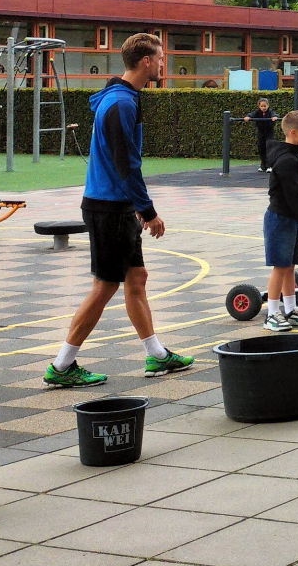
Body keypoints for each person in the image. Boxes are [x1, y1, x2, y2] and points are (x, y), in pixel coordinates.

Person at [47, 33, 193, 387]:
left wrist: (137, 207)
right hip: (108, 209)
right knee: (104, 286)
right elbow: (125, 164)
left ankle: (157, 356)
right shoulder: (121, 103)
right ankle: (62, 365)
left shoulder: (124, 97)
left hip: (118, 206)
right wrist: (148, 209)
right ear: (146, 61)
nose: (163, 64)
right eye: (160, 58)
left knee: (136, 279)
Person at [260, 110, 298, 332]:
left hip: (291, 218)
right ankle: (272, 313)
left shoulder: (294, 156)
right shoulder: (286, 160)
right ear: (293, 132)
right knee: (280, 266)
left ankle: (291, 309)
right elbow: (292, 195)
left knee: (289, 266)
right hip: (280, 219)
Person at [244, 99, 278, 173]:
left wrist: (274, 117)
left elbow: (274, 114)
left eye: (265, 106)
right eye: (262, 106)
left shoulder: (270, 112)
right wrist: (248, 117)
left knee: (269, 147)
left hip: (269, 132)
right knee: (261, 148)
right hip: (261, 132)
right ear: (259, 106)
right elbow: (251, 114)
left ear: (268, 106)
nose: (263, 108)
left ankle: (270, 165)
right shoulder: (257, 112)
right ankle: (263, 165)